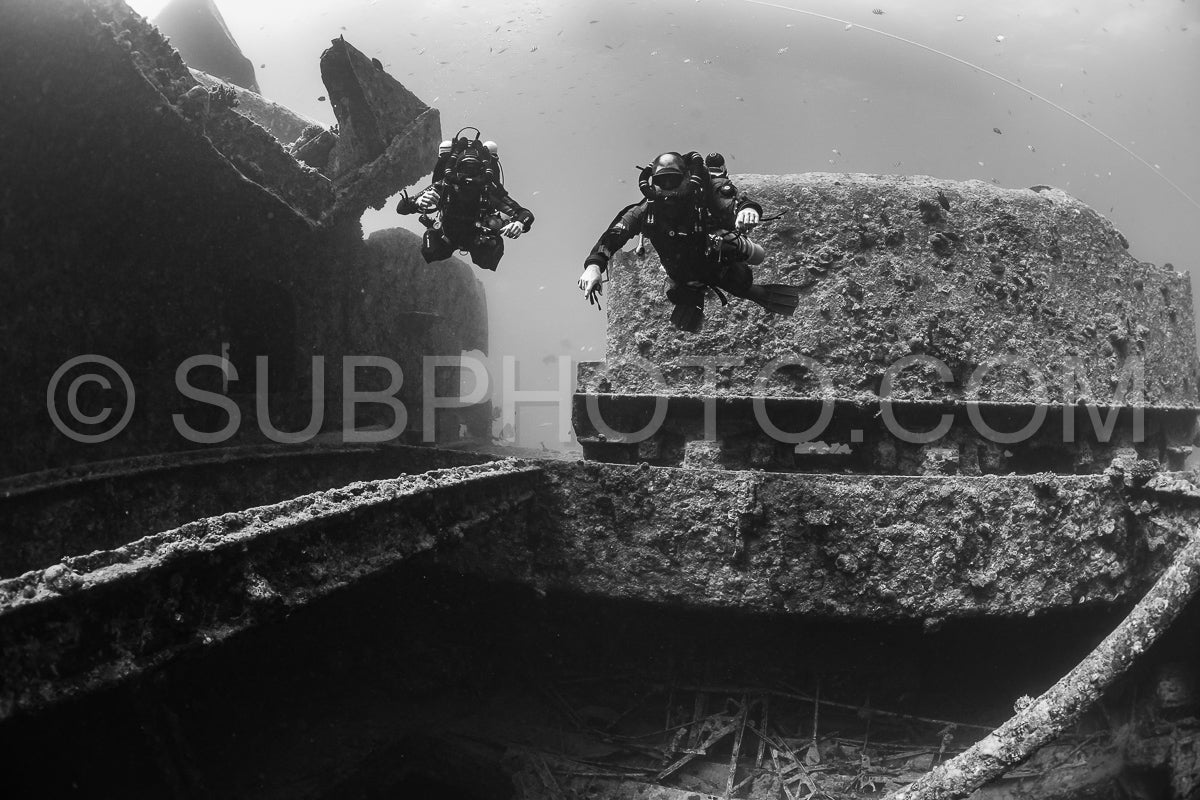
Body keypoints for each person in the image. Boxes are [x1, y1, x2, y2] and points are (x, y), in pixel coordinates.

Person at [577, 151, 800, 331]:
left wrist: (746, 211)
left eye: (673, 180)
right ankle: (697, 293)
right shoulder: (648, 210)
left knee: (739, 280)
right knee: (680, 301)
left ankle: (753, 288)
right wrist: (595, 265)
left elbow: (731, 202)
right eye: (662, 181)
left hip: (718, 262)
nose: (669, 187)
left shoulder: (703, 194)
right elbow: (616, 233)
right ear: (653, 183)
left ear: (686, 178)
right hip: (682, 274)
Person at [397, 127, 534, 271]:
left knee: (489, 259)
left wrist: (519, 223)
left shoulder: (488, 190)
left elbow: (525, 214)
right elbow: (401, 208)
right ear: (456, 169)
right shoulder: (445, 185)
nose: (469, 177)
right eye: (465, 169)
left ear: (481, 171)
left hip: (477, 239)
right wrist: (417, 202)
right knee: (431, 252)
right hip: (446, 236)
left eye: (473, 170)